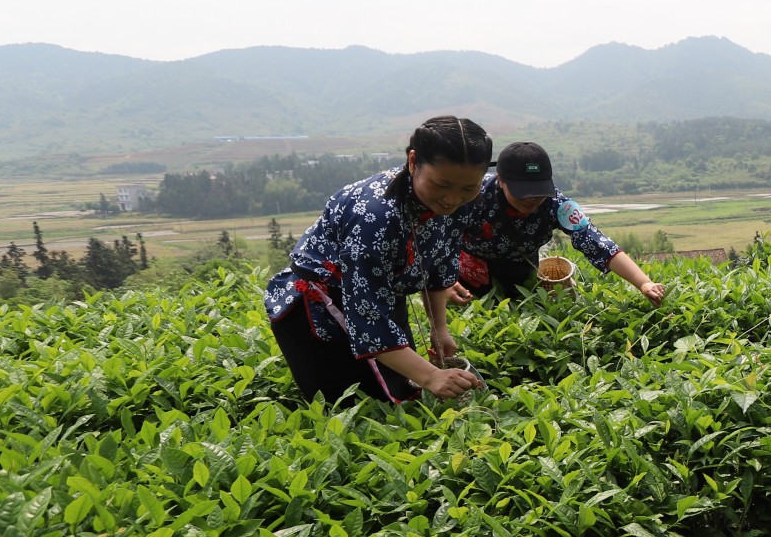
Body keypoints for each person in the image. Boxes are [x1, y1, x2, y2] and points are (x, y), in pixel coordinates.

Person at [263, 116, 490, 404]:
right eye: (441, 184)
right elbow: (369, 318)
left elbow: (438, 264)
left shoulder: (460, 201)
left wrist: (439, 329)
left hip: (379, 294)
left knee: (405, 393)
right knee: (351, 407)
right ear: (413, 162)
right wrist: (432, 376)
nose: (452, 199)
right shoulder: (374, 217)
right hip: (317, 304)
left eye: (467, 188)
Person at [454, 141, 666, 305]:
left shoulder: (556, 203)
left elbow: (595, 240)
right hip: (468, 277)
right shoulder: (474, 194)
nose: (531, 202)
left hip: (521, 275)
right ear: (501, 180)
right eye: (522, 194)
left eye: (537, 194)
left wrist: (643, 282)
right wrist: (444, 283)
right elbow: (441, 235)